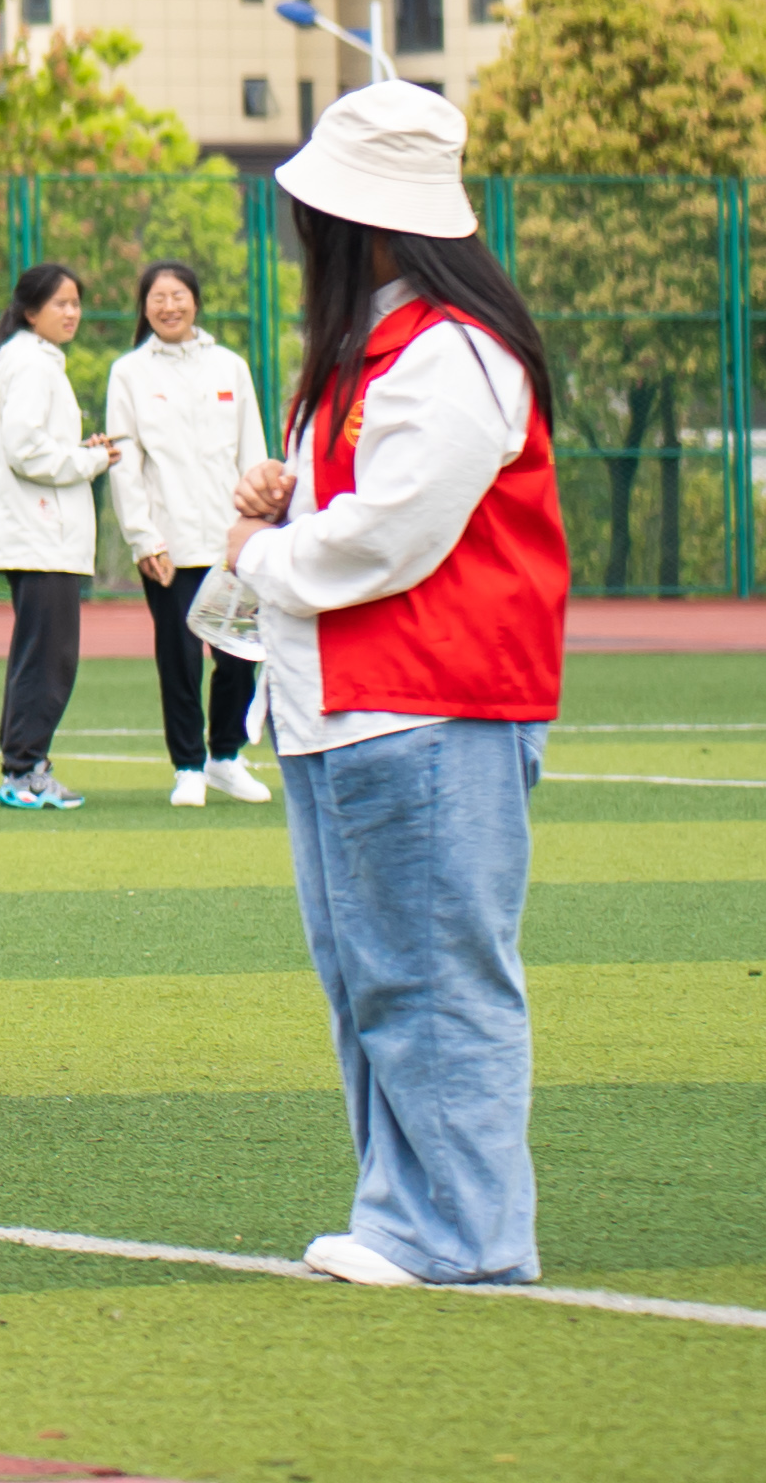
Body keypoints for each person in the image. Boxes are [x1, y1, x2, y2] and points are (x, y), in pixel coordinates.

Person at [222, 79, 568, 1293]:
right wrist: (289, 498)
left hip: (426, 704)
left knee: (426, 975)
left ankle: (461, 1232)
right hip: (354, 707)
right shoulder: (380, 352)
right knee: (375, 977)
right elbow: (371, 512)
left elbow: (391, 537)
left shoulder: (452, 353)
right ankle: (404, 1213)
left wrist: (264, 551)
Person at [110, 263, 267, 808]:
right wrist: (143, 538)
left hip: (232, 541)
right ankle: (188, 767)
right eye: (158, 298)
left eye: (178, 296)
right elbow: (125, 464)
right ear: (145, 307)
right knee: (178, 656)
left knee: (239, 653)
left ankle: (225, 756)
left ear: (196, 302)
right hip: (169, 546)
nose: (169, 306)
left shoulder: (230, 366)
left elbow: (253, 451)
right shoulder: (129, 373)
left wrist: (258, 526)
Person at [0, 262, 111, 812]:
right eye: (60, 303)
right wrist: (91, 458)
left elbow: (34, 444)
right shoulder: (32, 365)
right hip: (41, 537)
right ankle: (25, 770)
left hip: (40, 536)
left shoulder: (32, 362)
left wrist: (84, 452)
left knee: (39, 656)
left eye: (76, 302)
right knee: (49, 660)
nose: (72, 312)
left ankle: (23, 764)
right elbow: (27, 450)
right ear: (30, 312)